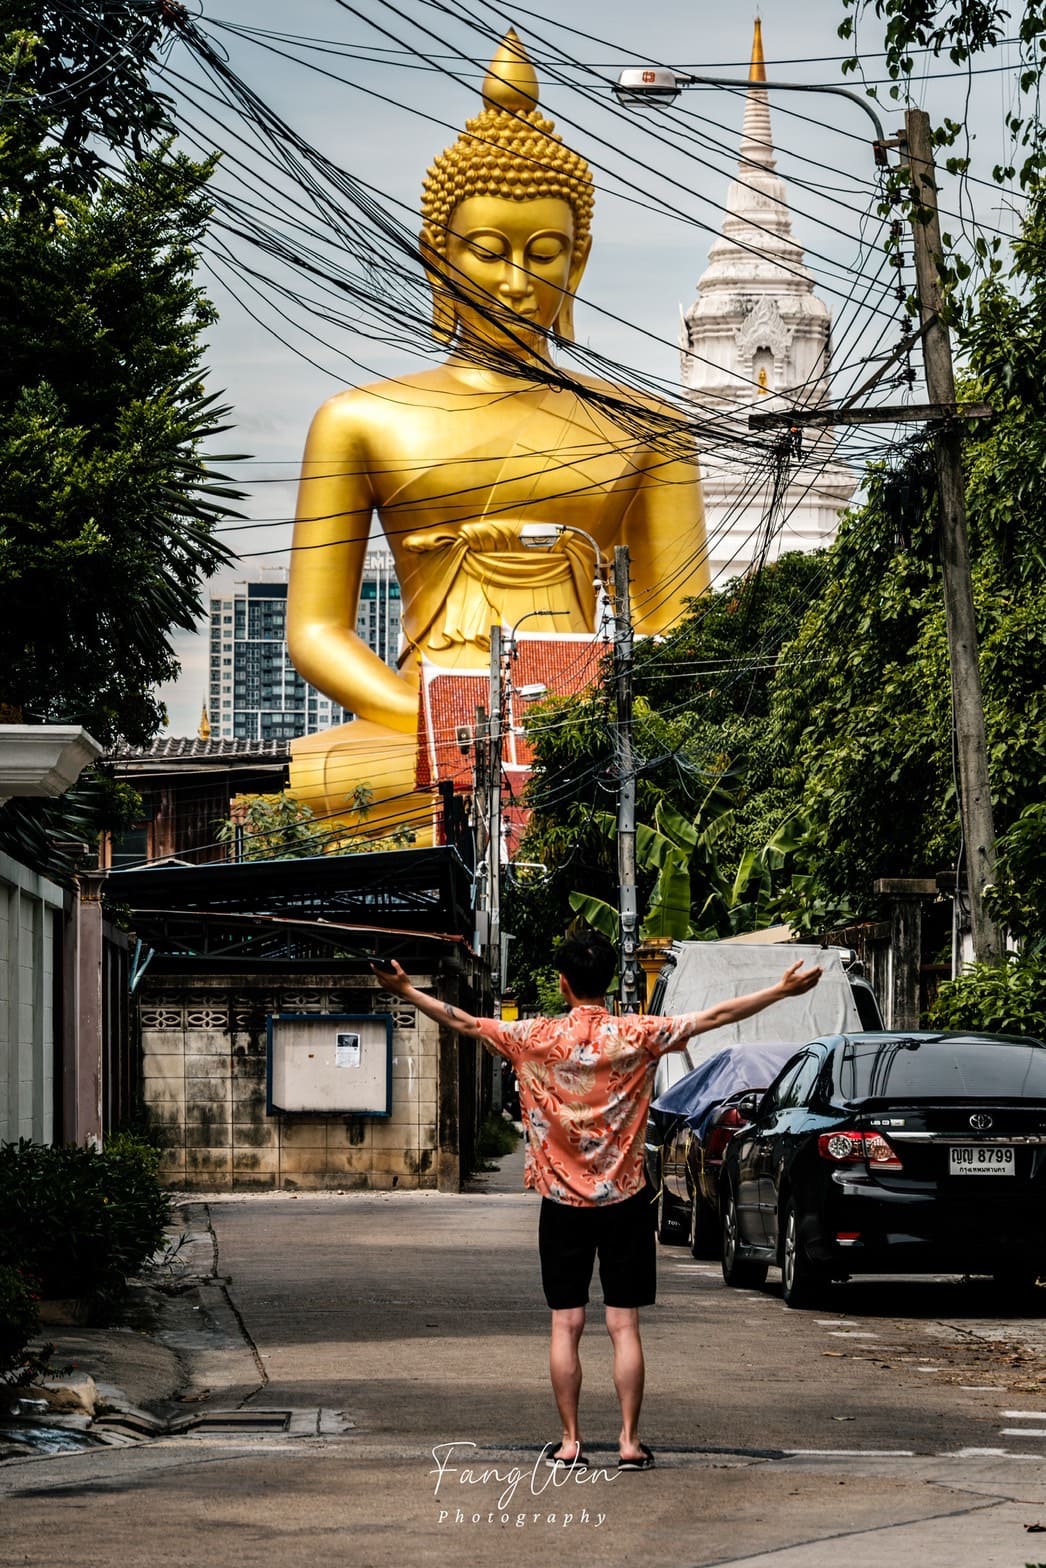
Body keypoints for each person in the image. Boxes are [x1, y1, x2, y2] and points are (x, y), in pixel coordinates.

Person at [286, 30, 708, 837]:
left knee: (691, 779)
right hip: (416, 719)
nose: (516, 281)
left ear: (576, 263)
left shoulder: (649, 425)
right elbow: (315, 632)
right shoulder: (360, 420)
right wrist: (439, 715)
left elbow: (680, 631)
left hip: (587, 730)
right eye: (487, 251)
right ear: (437, 256)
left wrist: (585, 725)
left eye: (543, 253)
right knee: (318, 775)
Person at [373, 933, 821, 1470]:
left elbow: (463, 1022)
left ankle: (570, 1443)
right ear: (608, 981)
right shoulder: (639, 1035)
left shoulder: (532, 1036)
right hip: (626, 1202)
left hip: (561, 1204)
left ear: (563, 983)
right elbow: (716, 1016)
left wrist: (405, 989)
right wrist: (781, 990)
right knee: (623, 1325)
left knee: (566, 1325)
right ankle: (630, 1443)